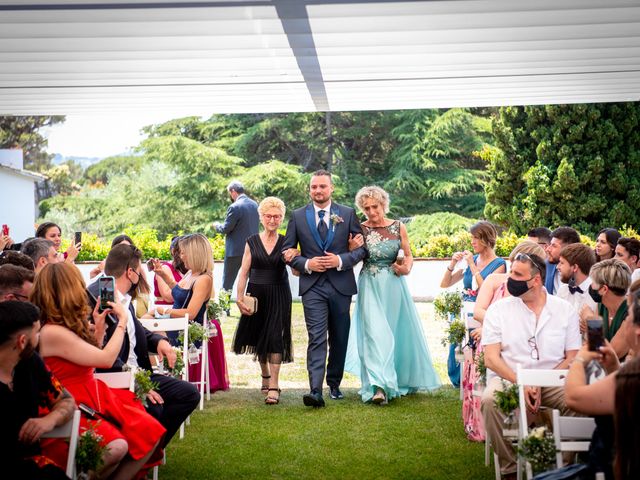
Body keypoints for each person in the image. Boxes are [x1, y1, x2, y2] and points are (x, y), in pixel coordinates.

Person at [33, 262, 165, 479]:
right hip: (70, 402)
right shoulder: (52, 331)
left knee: (148, 431)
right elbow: (105, 360)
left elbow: (87, 362)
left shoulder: (61, 326)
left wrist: (100, 330)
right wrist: (121, 322)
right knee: (119, 446)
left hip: (88, 394)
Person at [481, 252, 581, 479]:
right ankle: (510, 470)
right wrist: (523, 382)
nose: (510, 278)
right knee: (489, 400)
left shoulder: (564, 310)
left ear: (536, 280)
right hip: (510, 379)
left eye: (517, 274)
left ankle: (563, 469)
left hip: (555, 381)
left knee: (579, 401)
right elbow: (491, 359)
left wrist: (541, 381)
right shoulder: (499, 310)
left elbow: (572, 357)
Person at [88, 244, 200, 448]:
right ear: (130, 273)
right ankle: (138, 454)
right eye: (139, 271)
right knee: (154, 408)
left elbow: (135, 327)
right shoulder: (101, 296)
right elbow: (103, 351)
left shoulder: (122, 295)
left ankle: (149, 450)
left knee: (189, 394)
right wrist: (139, 384)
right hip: (116, 377)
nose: (141, 275)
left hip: (139, 371)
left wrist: (160, 342)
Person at [344, 186, 440, 405]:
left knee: (395, 332)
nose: (371, 212)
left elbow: (408, 255)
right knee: (375, 334)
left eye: (374, 206)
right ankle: (379, 387)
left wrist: (406, 267)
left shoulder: (398, 227)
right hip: (369, 283)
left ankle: (397, 378)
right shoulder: (360, 229)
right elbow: (353, 257)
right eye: (366, 208)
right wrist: (351, 247)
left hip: (394, 285)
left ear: (383, 205)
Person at [282, 169, 367, 407]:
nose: (317, 190)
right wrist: (307, 263)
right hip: (312, 288)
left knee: (339, 337)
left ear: (331, 189)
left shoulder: (347, 214)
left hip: (341, 286)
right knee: (316, 337)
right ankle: (315, 390)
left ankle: (335, 383)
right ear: (309, 190)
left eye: (322, 186)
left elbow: (362, 249)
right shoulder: (298, 216)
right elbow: (287, 252)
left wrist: (339, 260)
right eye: (313, 187)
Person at [564, 282, 640, 479]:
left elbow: (574, 397)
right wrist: (614, 367)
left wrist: (580, 359)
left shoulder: (634, 375)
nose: (626, 323)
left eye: (629, 318)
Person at [0, 301, 76, 480]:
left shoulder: (30, 363)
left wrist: (50, 420)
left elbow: (66, 400)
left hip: (32, 465)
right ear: (22, 341)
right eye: (37, 332)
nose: (40, 337)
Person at [150, 233, 229, 393]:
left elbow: (191, 313)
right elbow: (179, 292)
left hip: (187, 331)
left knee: (146, 331)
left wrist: (165, 310)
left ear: (194, 253)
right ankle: (158, 380)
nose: (180, 255)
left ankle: (160, 383)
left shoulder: (204, 279)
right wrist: (164, 275)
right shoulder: (191, 273)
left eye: (184, 251)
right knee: (144, 326)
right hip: (176, 325)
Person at [233, 197, 293, 405]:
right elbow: (243, 272)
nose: (273, 220)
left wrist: (294, 258)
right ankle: (265, 374)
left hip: (279, 293)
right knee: (260, 337)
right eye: (269, 216)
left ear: (282, 218)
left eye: (277, 216)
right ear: (261, 217)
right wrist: (239, 298)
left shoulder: (287, 241)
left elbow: (296, 270)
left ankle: (274, 386)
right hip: (256, 295)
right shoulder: (251, 241)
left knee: (275, 336)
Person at [440, 221, 506, 387]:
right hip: (464, 309)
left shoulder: (499, 264)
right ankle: (458, 380)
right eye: (472, 238)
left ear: (487, 239)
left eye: (476, 238)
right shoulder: (473, 259)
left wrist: (472, 265)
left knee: (474, 346)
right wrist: (452, 264)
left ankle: (476, 377)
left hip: (482, 311)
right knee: (456, 345)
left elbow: (485, 288)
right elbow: (445, 284)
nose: (472, 242)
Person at [214, 181, 259, 296]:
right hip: (252, 250)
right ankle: (252, 306)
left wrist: (216, 226)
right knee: (252, 282)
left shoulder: (235, 207)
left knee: (227, 282)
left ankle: (225, 308)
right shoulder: (255, 205)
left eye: (230, 193)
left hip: (234, 252)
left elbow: (226, 228)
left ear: (233, 191)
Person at [579, 259, 631, 356]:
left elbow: (608, 356)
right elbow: (589, 345)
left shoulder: (632, 313)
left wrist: (591, 321)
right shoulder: (602, 305)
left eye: (593, 282)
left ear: (604, 289)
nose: (591, 286)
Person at [556, 243, 598, 324]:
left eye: (561, 263)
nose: (557, 267)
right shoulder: (563, 290)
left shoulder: (597, 294)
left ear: (575, 267)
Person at [545, 226, 581, 294]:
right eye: (550, 244)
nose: (548, 249)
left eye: (554, 246)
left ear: (568, 249)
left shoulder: (583, 274)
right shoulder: (547, 265)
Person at [152, 236, 186, 307]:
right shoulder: (164, 268)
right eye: (183, 252)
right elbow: (167, 297)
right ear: (173, 251)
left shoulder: (188, 268)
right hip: (164, 312)